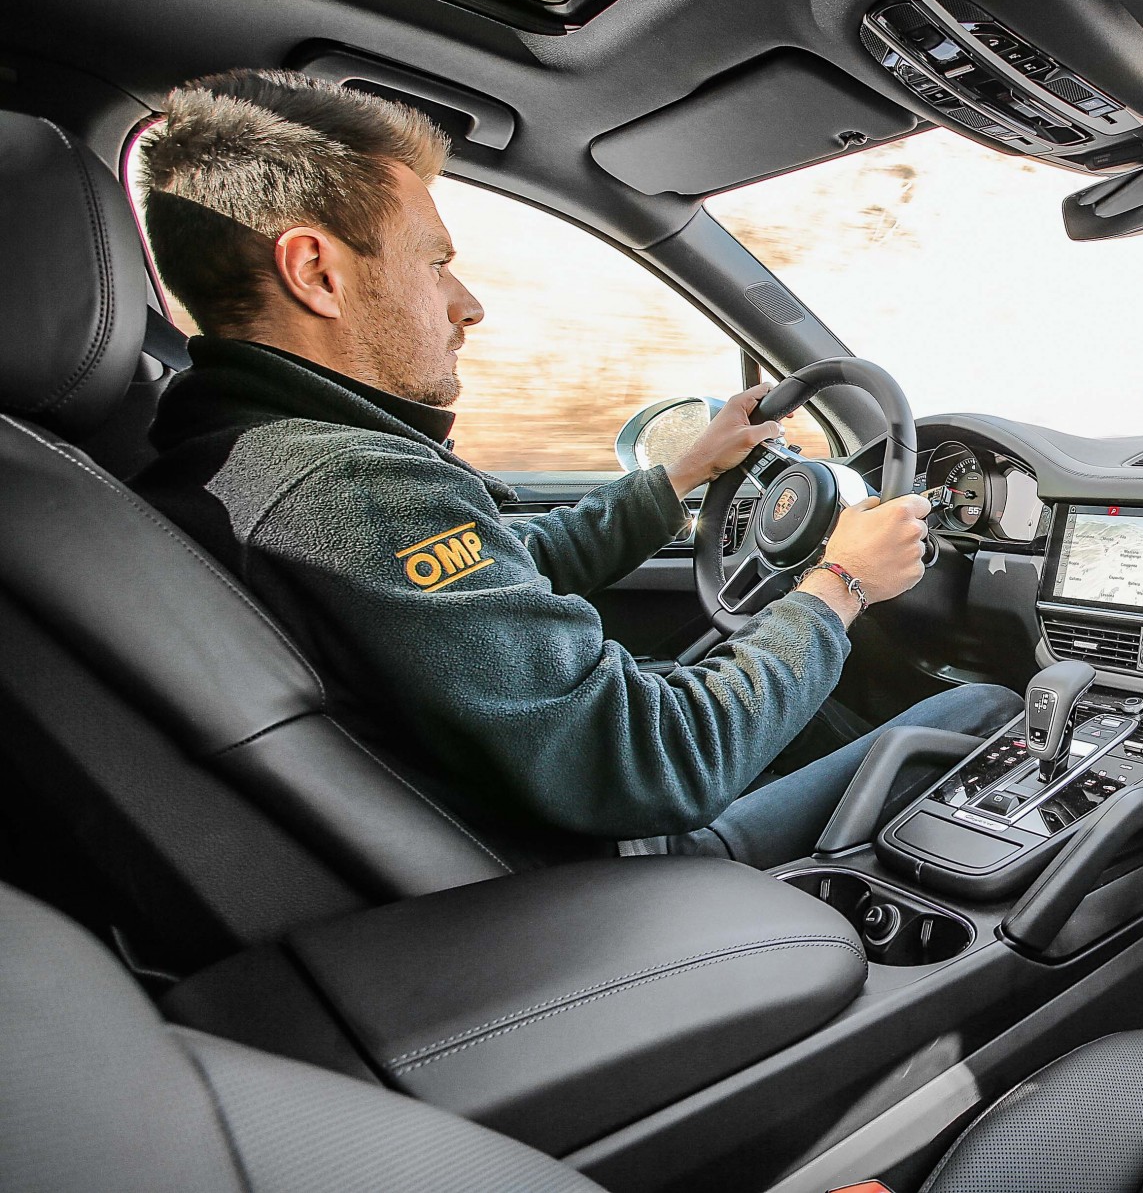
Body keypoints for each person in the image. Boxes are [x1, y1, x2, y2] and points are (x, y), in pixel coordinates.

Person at [129, 69, 1020, 867]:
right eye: (435, 263)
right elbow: (654, 762)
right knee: (983, 712)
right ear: (315, 271)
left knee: (789, 694)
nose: (468, 304)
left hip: (515, 832)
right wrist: (840, 584)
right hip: (607, 874)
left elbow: (504, 576)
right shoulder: (345, 487)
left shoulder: (242, 457)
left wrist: (678, 477)